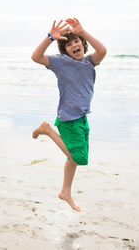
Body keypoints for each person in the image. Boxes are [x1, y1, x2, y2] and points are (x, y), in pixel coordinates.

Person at [31, 18, 107, 211]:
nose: (74, 45)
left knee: (72, 159)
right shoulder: (61, 63)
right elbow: (36, 57)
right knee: (78, 158)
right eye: (69, 43)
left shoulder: (90, 62)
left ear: (82, 44)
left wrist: (83, 31)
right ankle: (47, 130)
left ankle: (65, 191)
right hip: (69, 119)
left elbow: (103, 51)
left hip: (81, 118)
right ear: (65, 50)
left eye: (77, 41)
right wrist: (49, 37)